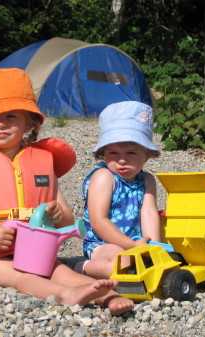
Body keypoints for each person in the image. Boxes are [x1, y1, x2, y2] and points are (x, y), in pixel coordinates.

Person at [0, 68, 133, 315]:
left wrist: (58, 215)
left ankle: (106, 295)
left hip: (35, 253)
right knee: (22, 278)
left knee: (61, 271)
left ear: (29, 121)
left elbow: (67, 219)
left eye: (11, 116)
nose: (0, 123)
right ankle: (67, 296)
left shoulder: (43, 162)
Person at [76, 101, 161, 279]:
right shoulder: (104, 177)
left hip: (135, 242)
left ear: (147, 154)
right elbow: (99, 221)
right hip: (102, 243)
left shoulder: (147, 180)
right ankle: (81, 267)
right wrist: (130, 245)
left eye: (131, 153)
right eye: (113, 153)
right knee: (121, 261)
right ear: (103, 153)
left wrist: (153, 248)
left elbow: (149, 213)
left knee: (150, 261)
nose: (122, 160)